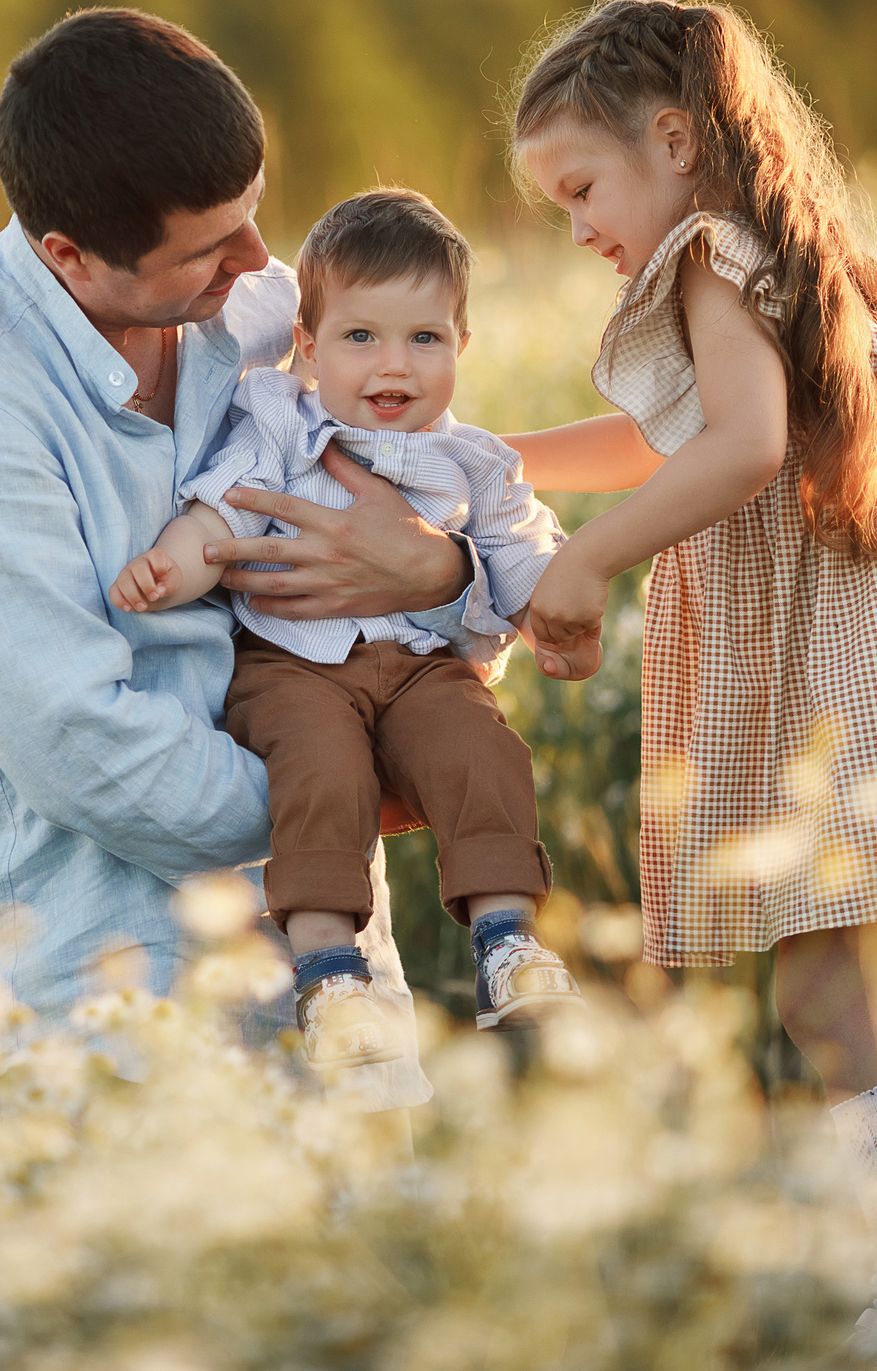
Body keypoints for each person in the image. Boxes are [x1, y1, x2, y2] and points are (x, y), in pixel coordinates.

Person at [504, 0, 877, 1365]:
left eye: (581, 187)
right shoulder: (788, 249)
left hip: (824, 686)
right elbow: (677, 436)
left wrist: (583, 564)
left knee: (824, 1007)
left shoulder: (707, 251)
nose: (578, 228)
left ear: (676, 137)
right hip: (867, 669)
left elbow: (742, 445)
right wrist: (494, 457)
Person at [0, 8, 507, 1112]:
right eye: (209, 246)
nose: (262, 265)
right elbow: (84, 748)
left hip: (335, 970)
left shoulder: (259, 323)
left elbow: (437, 523)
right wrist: (357, 793)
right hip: (98, 1015)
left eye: (252, 214)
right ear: (68, 255)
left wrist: (441, 578)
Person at [109, 188, 585, 1070]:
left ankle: (507, 939)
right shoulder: (282, 422)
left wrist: (556, 615)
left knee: (482, 748)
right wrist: (176, 563)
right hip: (293, 665)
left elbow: (522, 555)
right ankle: (328, 968)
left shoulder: (475, 460)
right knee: (318, 770)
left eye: (424, 338)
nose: (391, 365)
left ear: (461, 347)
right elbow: (226, 507)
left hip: (419, 666)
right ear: (308, 346)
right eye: (360, 337)